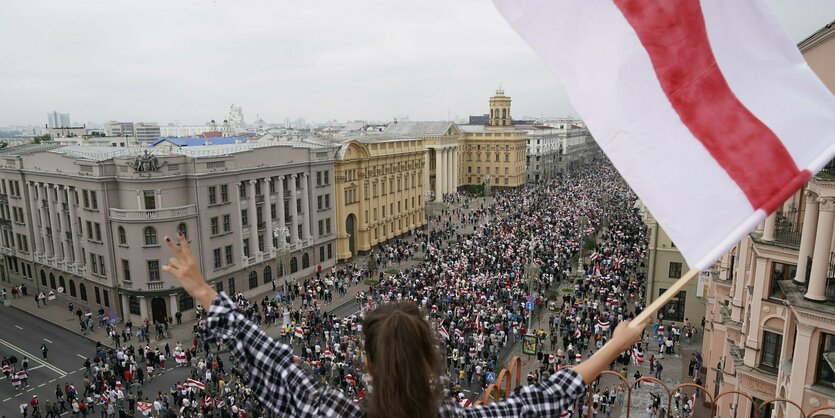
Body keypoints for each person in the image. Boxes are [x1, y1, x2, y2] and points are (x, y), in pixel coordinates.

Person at [162, 231, 647, 417]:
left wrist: (204, 291)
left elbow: (274, 364)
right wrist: (614, 344)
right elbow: (544, 397)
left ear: (367, 362)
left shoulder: (327, 411)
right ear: (432, 358)